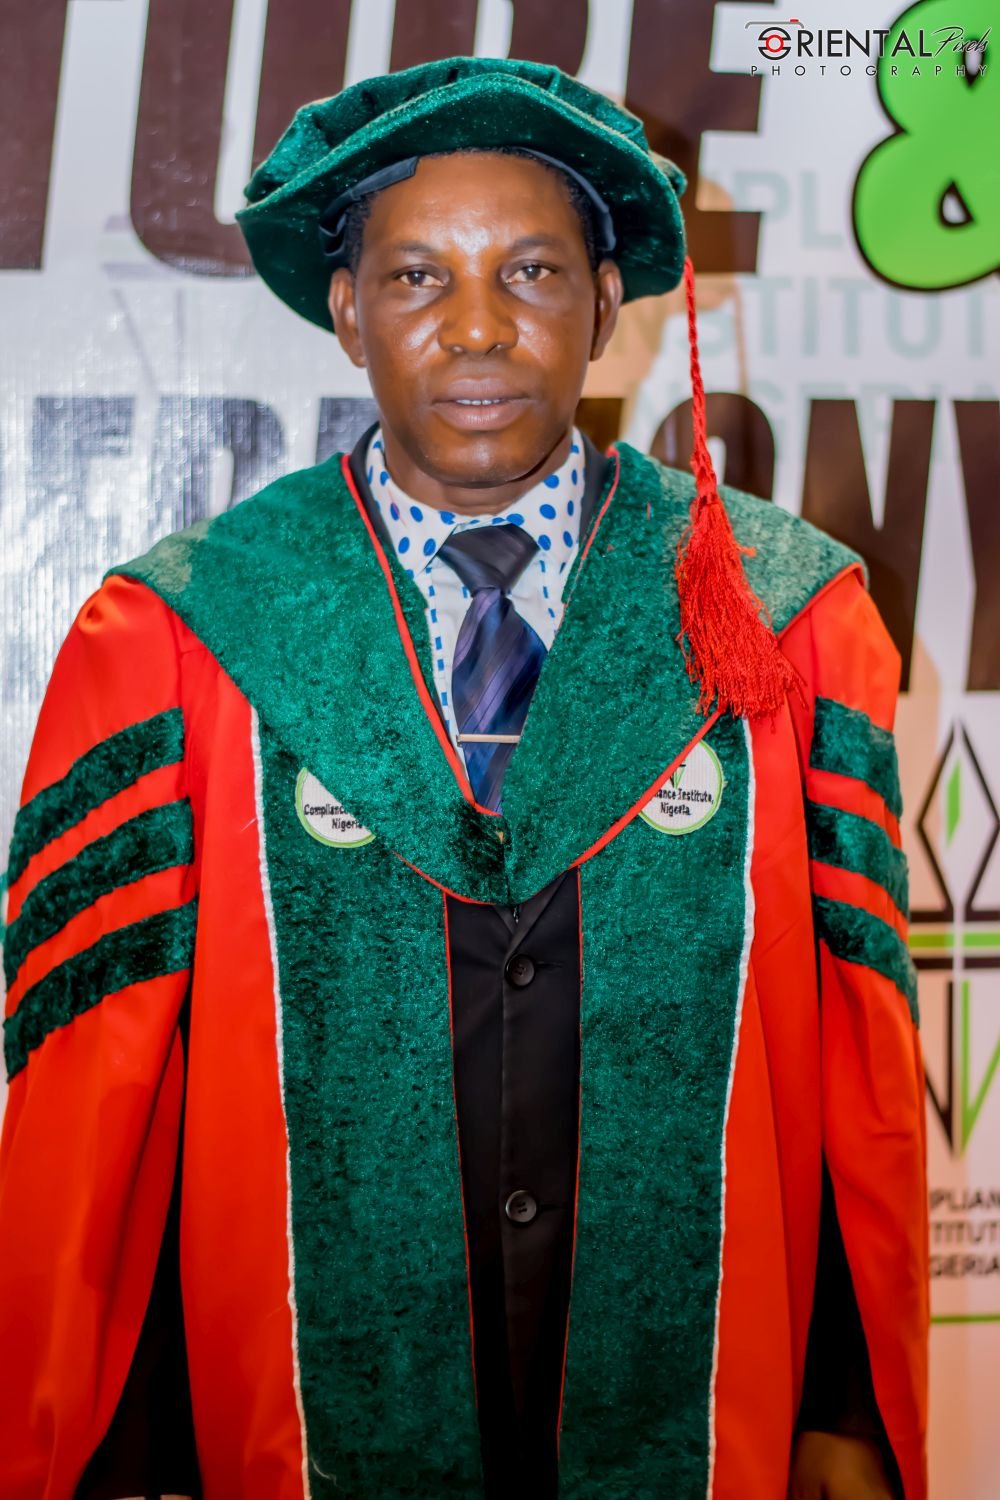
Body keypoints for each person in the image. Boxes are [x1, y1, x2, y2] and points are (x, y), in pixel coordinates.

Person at [0, 56, 927, 1500]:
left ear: (606, 307)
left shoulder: (782, 621)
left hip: (699, 1417)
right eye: (420, 277)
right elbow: (101, 1103)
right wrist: (120, 1454)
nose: (481, 326)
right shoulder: (189, 637)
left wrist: (846, 1411)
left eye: (534, 272)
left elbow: (851, 1059)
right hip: (289, 1424)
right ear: (346, 309)